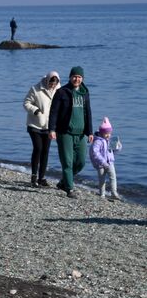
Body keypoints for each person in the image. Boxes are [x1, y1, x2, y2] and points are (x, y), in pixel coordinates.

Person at [48, 66, 93, 199]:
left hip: (81, 134)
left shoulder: (85, 92)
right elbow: (54, 113)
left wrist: (90, 132)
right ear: (70, 77)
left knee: (80, 162)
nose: (76, 79)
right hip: (65, 133)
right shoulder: (62, 92)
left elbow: (88, 112)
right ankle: (70, 189)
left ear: (82, 78)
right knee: (67, 162)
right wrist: (52, 129)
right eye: (74, 76)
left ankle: (63, 182)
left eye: (79, 77)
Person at [23, 71, 60, 187]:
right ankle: (34, 176)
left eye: (55, 83)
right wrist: (36, 111)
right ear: (47, 80)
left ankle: (42, 178)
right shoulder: (35, 89)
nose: (52, 85)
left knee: (45, 151)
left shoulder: (59, 90)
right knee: (38, 148)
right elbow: (26, 103)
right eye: (51, 82)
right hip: (35, 125)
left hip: (49, 126)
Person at [90, 117, 122, 200]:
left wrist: (118, 146)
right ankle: (102, 194)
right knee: (102, 179)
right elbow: (95, 153)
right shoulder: (98, 141)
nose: (108, 135)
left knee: (113, 177)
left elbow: (113, 151)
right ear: (101, 133)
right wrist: (103, 162)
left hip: (110, 162)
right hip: (101, 164)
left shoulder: (109, 140)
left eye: (109, 133)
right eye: (106, 133)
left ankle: (114, 192)